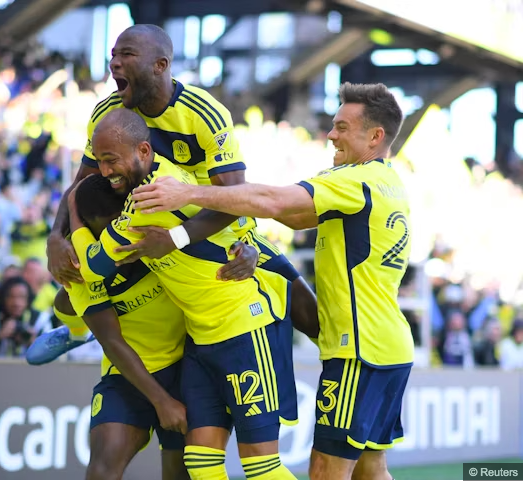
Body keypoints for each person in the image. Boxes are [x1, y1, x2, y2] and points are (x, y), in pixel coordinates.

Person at [130, 82, 414, 480]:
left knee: (325, 472)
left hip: (359, 351)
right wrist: (247, 241)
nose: (331, 135)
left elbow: (275, 202)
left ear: (375, 136)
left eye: (342, 127)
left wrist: (188, 193)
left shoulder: (355, 180)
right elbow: (293, 217)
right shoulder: (390, 183)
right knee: (370, 469)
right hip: (389, 346)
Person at [43, 23, 318, 361]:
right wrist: (56, 236)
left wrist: (177, 239)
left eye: (126, 54)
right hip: (138, 229)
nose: (114, 63)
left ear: (161, 65)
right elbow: (84, 183)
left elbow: (234, 198)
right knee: (71, 291)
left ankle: (344, 371)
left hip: (209, 230)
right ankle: (75, 332)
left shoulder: (204, 113)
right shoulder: (107, 112)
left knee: (306, 309)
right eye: (112, 55)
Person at [78, 108, 298, 480]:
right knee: (200, 464)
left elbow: (93, 267)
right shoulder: (163, 182)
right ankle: (69, 331)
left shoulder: (150, 197)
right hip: (199, 342)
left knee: (261, 468)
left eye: (110, 160)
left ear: (144, 151)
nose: (103, 171)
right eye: (98, 161)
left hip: (245, 326)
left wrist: (71, 209)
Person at [29, 173, 260, 479]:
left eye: (118, 224)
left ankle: (76, 329)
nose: (116, 239)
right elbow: (111, 341)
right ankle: (76, 332)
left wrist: (250, 250)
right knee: (102, 466)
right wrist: (161, 401)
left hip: (186, 366)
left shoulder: (155, 230)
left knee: (180, 472)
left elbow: (227, 222)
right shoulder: (80, 262)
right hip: (128, 373)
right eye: (103, 232)